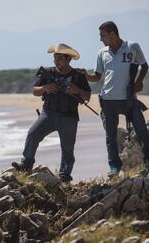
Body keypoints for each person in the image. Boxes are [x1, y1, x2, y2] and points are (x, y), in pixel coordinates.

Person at [79, 21, 149, 177]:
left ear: (112, 34)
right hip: (108, 101)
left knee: (142, 131)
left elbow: (145, 66)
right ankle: (114, 167)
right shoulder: (102, 53)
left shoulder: (132, 46)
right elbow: (97, 77)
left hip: (128, 99)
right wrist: (85, 75)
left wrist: (139, 81)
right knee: (110, 137)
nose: (100, 39)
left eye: (103, 35)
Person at [12, 43, 91, 183]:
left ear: (68, 59)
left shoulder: (78, 76)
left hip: (69, 117)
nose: (55, 60)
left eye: (59, 58)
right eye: (55, 57)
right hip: (48, 114)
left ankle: (64, 177)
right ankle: (26, 165)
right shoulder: (48, 73)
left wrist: (76, 90)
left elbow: (87, 97)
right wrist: (45, 87)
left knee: (67, 150)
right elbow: (35, 91)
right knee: (32, 135)